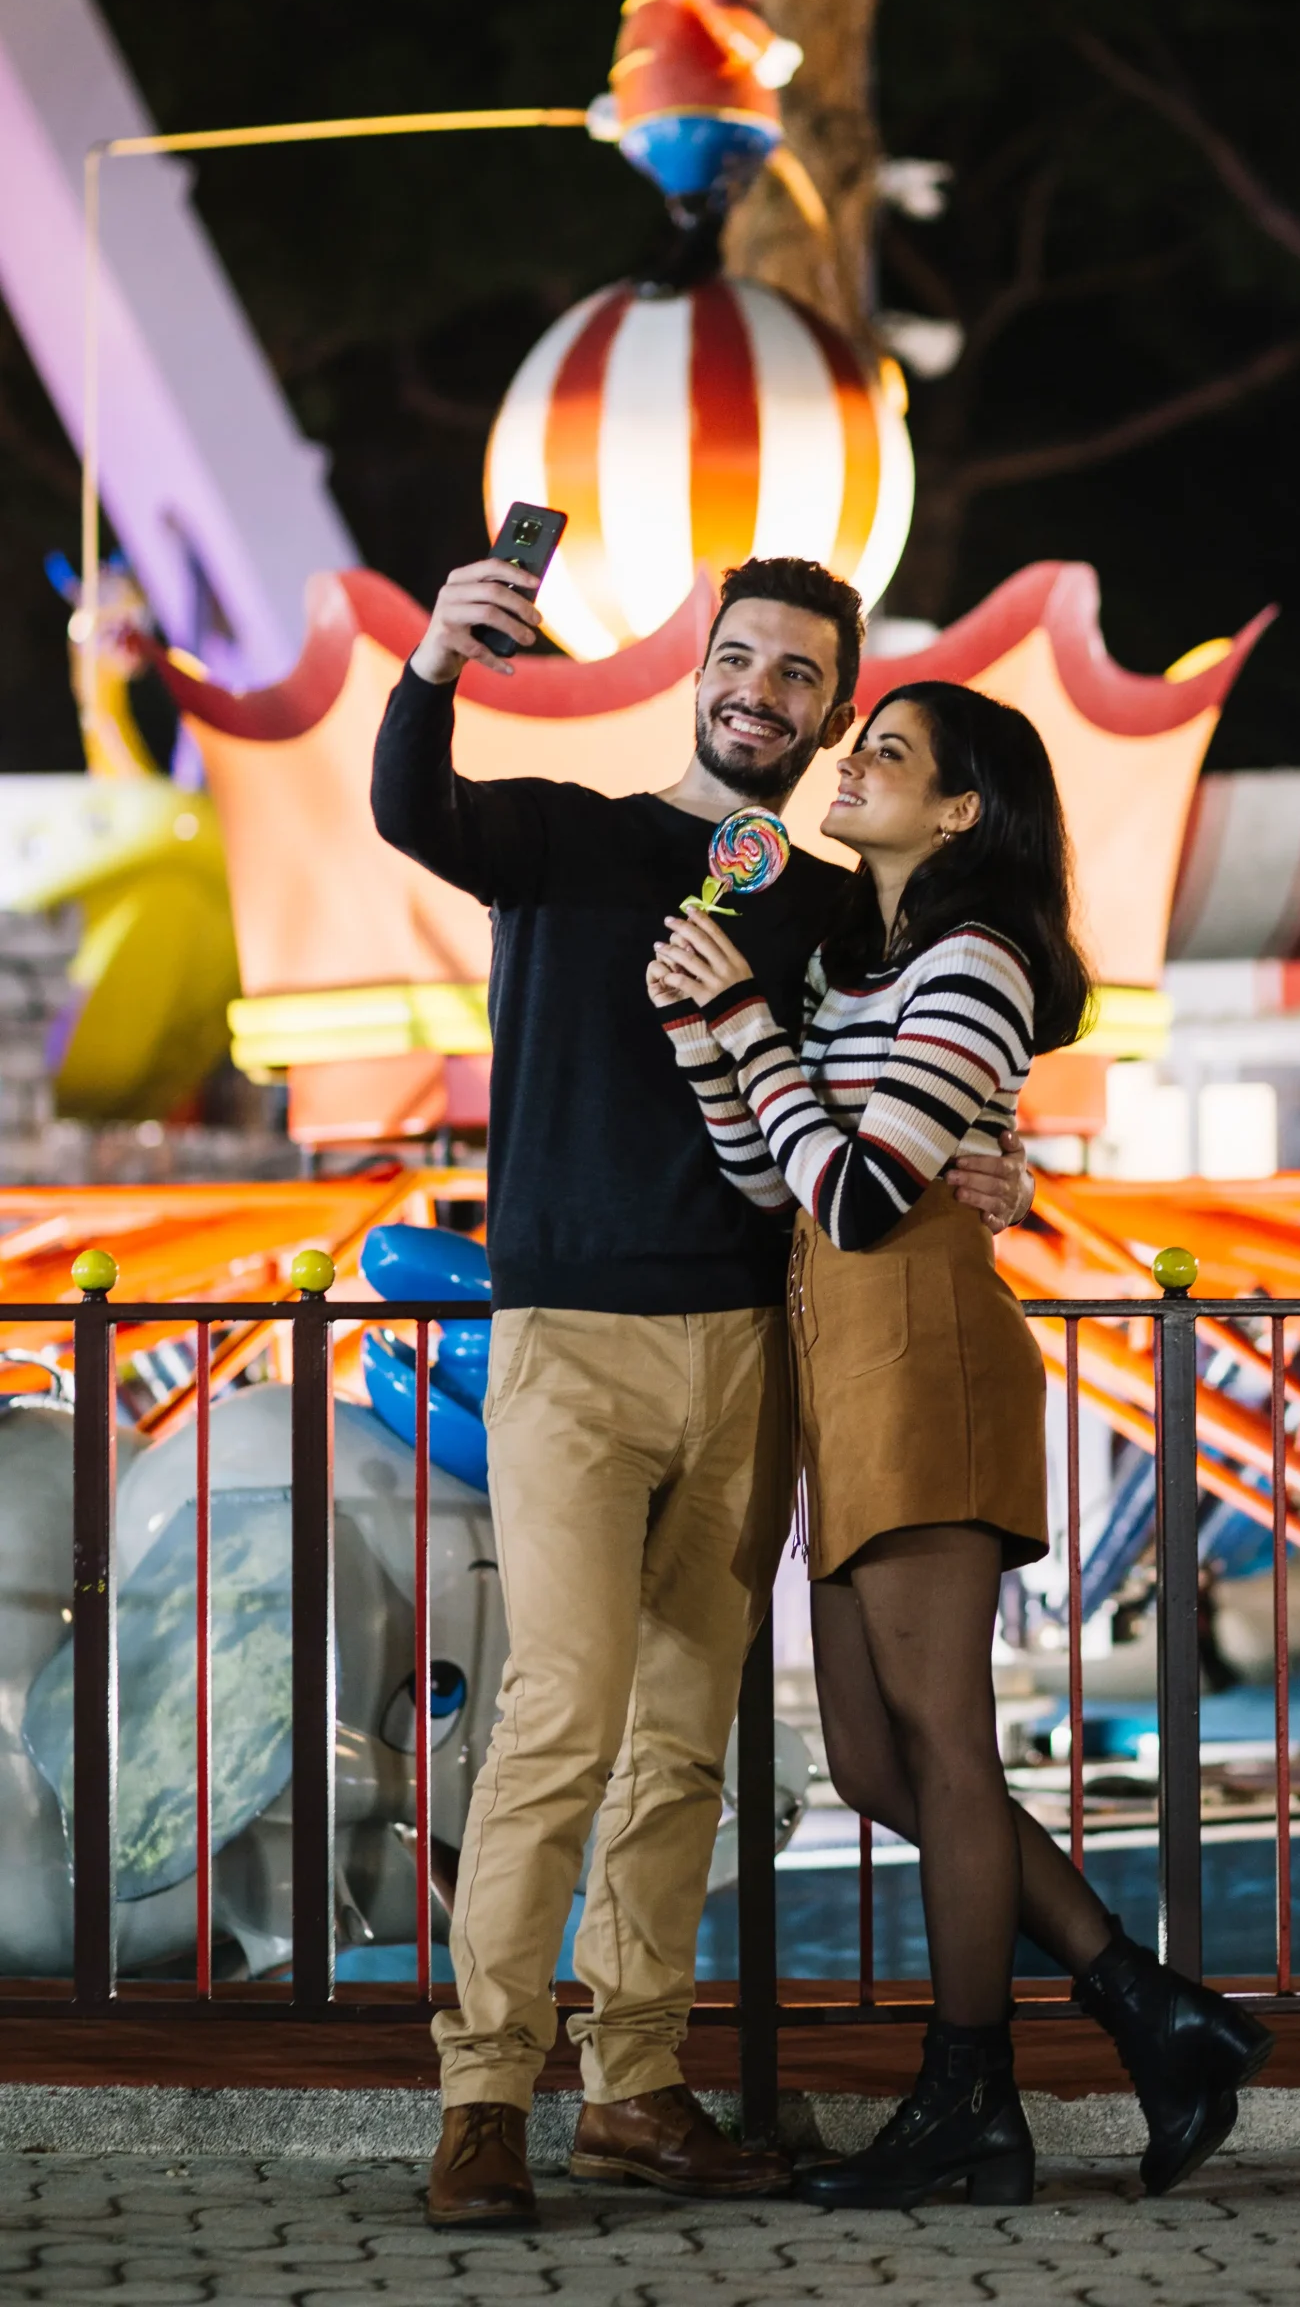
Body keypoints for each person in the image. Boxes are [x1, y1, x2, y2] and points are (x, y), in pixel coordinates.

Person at [371, 555, 1030, 2228]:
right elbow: (408, 807)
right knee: (561, 1715)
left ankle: (638, 2088)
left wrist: (979, 1159)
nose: (762, 692)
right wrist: (436, 660)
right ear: (699, 675)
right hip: (573, 1338)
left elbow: (909, 1060)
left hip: (752, 1347)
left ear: (826, 713)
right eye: (738, 661)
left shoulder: (815, 904)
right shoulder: (569, 836)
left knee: (682, 1743)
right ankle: (486, 2095)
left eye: (800, 678)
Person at [650, 680, 1274, 2210]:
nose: (847, 765)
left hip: (921, 1347)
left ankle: (971, 2102)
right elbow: (770, 1176)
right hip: (842, 1356)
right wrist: (704, 1031)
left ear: (958, 813)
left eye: (886, 754)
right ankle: (1150, 2008)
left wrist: (747, 1027)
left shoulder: (979, 961)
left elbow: (863, 1196)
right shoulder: (861, 970)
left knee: (940, 1748)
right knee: (875, 1756)